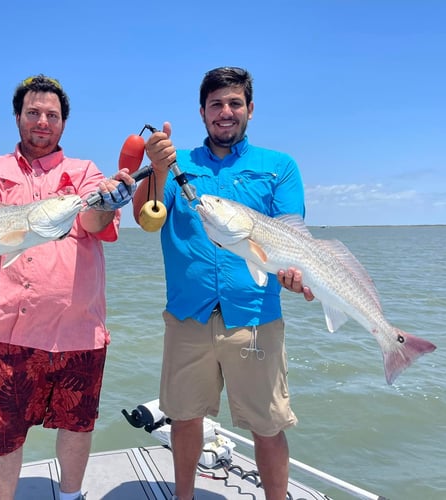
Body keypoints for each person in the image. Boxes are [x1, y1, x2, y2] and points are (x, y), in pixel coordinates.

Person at [0, 74, 136, 500]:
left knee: (78, 423)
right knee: (1, 436)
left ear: (64, 122)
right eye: (33, 113)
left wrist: (107, 202)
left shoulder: (85, 172)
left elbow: (93, 223)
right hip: (4, 328)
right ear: (18, 118)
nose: (42, 121)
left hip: (77, 329)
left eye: (52, 115)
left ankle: (71, 496)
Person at [132, 66, 315, 500]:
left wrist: (293, 274)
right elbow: (145, 217)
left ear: (250, 109)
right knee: (184, 417)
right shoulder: (180, 166)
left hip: (255, 317)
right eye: (216, 104)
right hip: (187, 316)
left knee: (268, 425)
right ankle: (184, 497)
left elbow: (293, 236)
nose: (225, 112)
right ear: (202, 112)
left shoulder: (279, 167)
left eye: (235, 103)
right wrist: (156, 168)